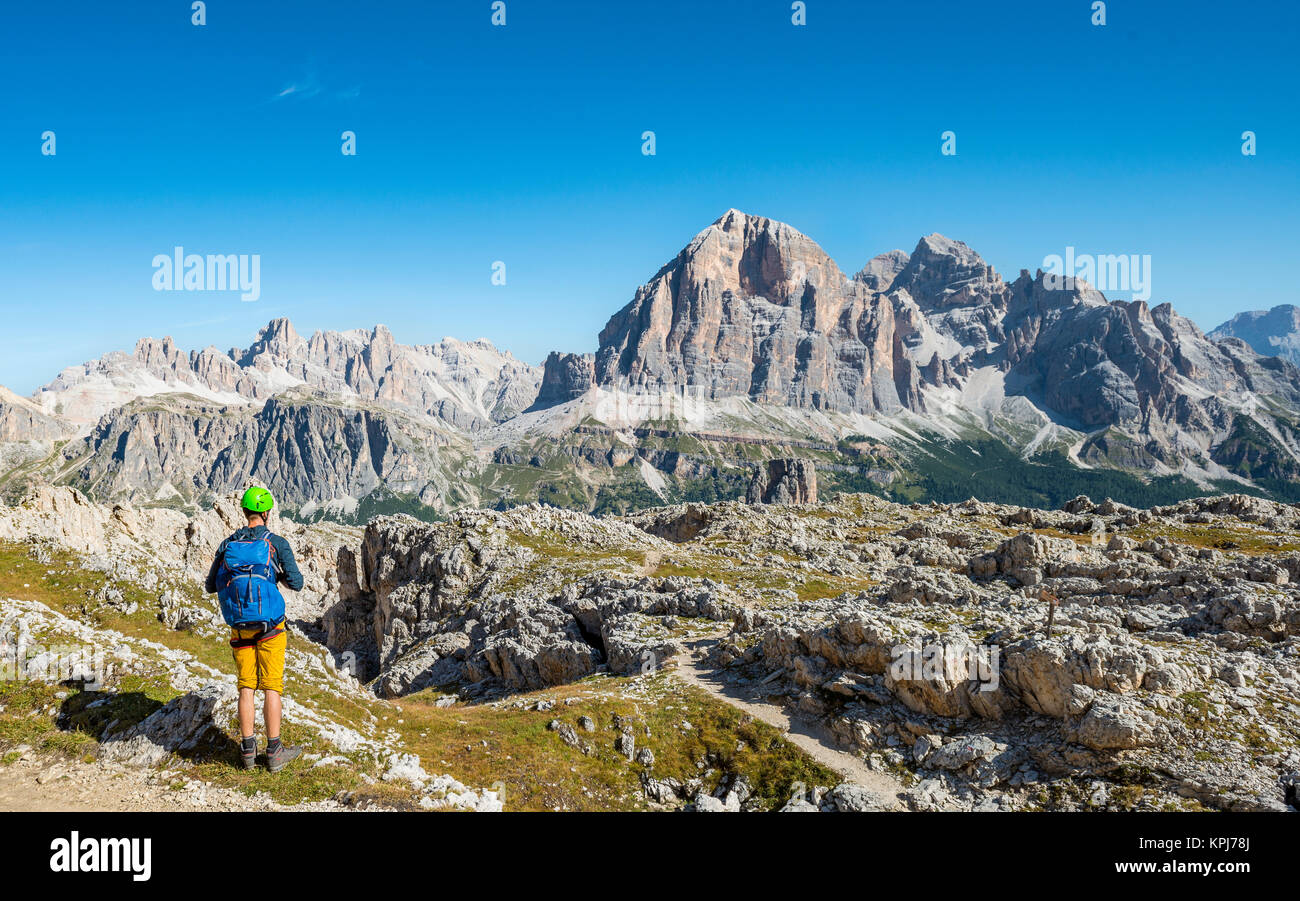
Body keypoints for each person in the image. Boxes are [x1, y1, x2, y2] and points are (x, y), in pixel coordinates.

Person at [205, 486, 304, 772]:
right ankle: (274, 752)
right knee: (272, 686)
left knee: (246, 686)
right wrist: (275, 575)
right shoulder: (277, 544)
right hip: (271, 627)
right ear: (266, 512)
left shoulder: (227, 544)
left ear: (245, 512)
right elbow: (296, 583)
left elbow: (211, 585)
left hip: (239, 627)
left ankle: (247, 751)